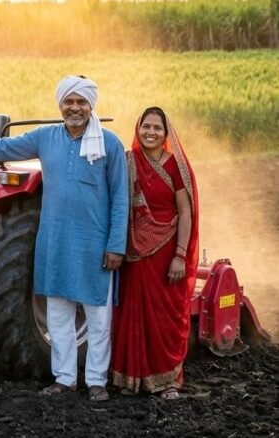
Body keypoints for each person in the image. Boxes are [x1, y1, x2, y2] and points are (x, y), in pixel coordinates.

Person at [0, 75, 129, 402]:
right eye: (69, 101)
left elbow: (120, 198)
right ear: (60, 104)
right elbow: (0, 148)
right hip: (54, 242)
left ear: (91, 104)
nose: (74, 107)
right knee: (58, 316)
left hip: (94, 245)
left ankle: (96, 381)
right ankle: (64, 378)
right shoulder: (46, 137)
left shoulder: (109, 144)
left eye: (81, 102)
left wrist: (115, 246)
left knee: (98, 319)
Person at [111, 107, 199, 400]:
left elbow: (185, 213)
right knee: (131, 315)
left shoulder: (175, 167)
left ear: (166, 134)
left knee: (165, 317)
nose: (150, 132)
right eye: (145, 126)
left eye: (157, 128)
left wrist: (180, 255)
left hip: (166, 255)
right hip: (134, 253)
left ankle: (167, 382)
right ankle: (131, 380)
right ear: (137, 129)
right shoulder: (128, 161)